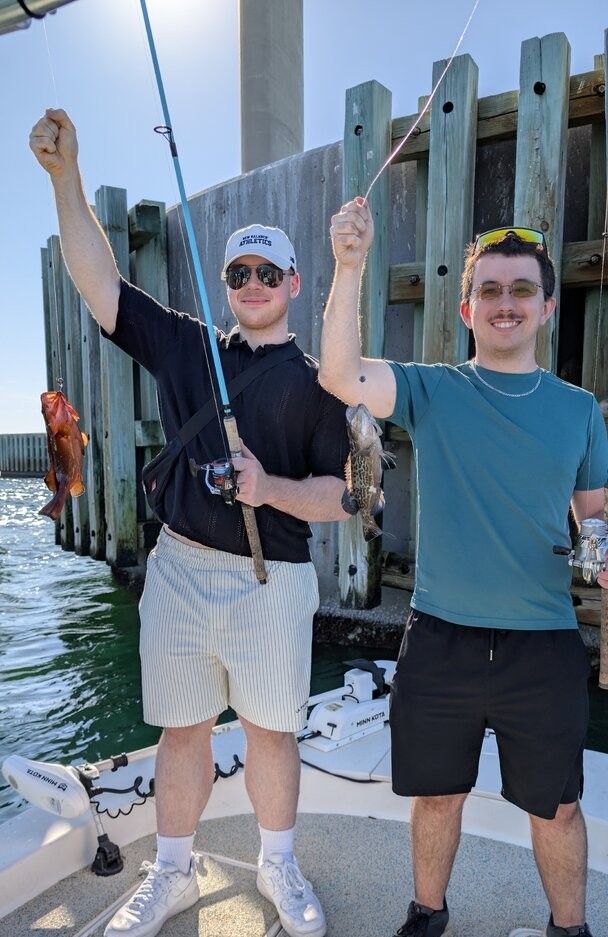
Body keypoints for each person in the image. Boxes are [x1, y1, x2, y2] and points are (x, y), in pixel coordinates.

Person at [30, 107, 350, 937]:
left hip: (271, 577)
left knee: (272, 733)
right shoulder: (183, 344)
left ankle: (278, 864)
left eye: (267, 272)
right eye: (238, 270)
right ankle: (171, 871)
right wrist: (67, 180)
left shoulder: (319, 382)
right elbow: (100, 285)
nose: (251, 282)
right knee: (181, 731)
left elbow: (340, 495)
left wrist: (267, 485)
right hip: (176, 566)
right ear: (225, 282)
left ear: (293, 284)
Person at [320, 197, 608, 937]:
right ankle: (427, 913)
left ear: (546, 306)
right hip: (439, 637)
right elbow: (340, 374)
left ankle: (569, 928)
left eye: (520, 289)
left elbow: (596, 517)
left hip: (543, 642)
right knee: (438, 794)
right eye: (490, 289)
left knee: (559, 805)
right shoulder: (431, 389)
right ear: (466, 306)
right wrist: (349, 265)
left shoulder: (581, 411)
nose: (504, 303)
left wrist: (602, 555)